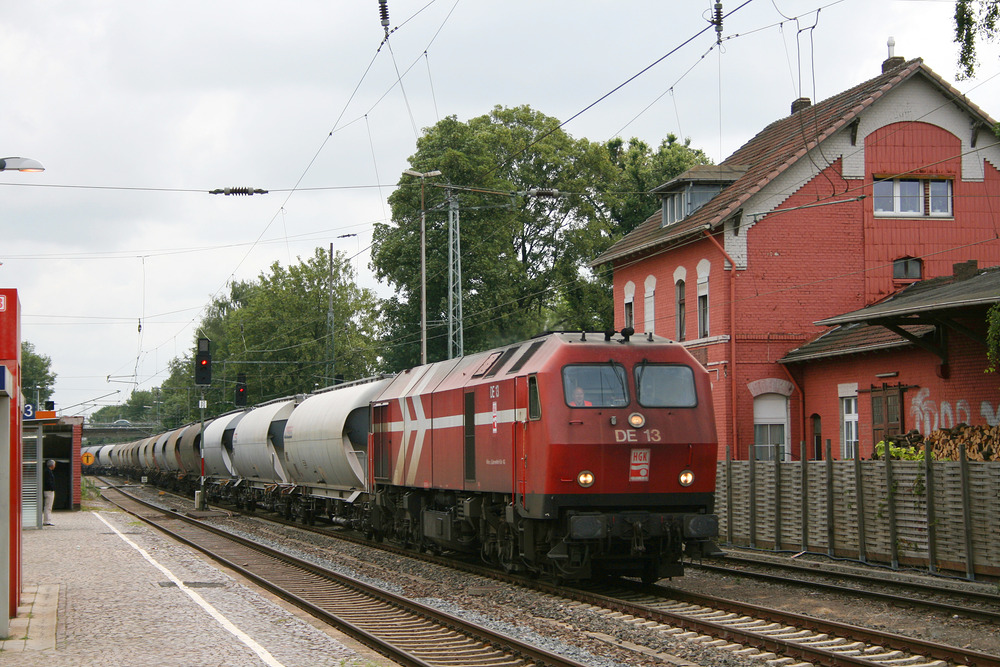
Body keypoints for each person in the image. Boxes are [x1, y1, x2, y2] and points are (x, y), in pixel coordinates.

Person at [43, 459, 56, 526]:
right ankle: (47, 520)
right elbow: (49, 482)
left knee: (48, 505)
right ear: (52, 465)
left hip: (48, 490)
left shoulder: (47, 471)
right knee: (48, 505)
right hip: (49, 491)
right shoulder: (48, 472)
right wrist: (52, 488)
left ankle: (48, 519)